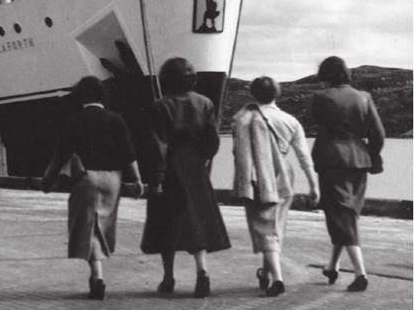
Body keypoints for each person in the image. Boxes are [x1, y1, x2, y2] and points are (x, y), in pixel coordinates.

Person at [140, 57, 230, 297]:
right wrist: (203, 159)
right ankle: (202, 272)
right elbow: (213, 140)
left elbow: (159, 145)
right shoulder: (205, 103)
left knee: (166, 223)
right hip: (196, 168)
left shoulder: (160, 105)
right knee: (196, 221)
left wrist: (157, 178)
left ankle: (168, 277)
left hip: (170, 168)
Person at [50, 76, 143, 300]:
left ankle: (98, 276)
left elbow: (59, 155)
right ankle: (96, 276)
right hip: (113, 181)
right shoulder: (116, 119)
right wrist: (137, 180)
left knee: (89, 228)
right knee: (103, 226)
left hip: (87, 178)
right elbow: (129, 154)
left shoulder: (74, 120)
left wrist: (48, 179)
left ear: (80, 97)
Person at [232, 76, 319, 296]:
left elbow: (237, 150)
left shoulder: (244, 118)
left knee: (264, 227)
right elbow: (303, 156)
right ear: (276, 94)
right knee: (274, 227)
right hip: (284, 175)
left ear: (253, 94)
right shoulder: (289, 120)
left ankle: (278, 279)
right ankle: (265, 274)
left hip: (260, 176)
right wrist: (313, 184)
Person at [311, 56, 385, 292]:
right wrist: (372, 154)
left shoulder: (321, 98)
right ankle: (332, 266)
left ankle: (360, 273)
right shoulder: (364, 97)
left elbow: (313, 121)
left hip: (331, 159)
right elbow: (379, 133)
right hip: (359, 159)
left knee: (340, 215)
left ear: (325, 75)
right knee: (347, 213)